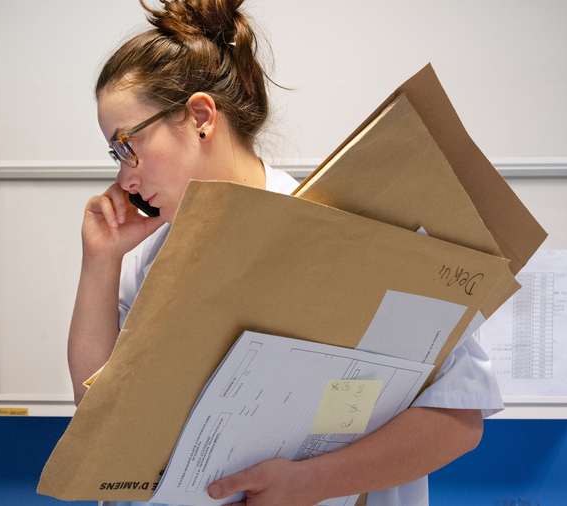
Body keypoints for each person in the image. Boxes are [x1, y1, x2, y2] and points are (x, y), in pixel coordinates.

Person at [66, 1, 504, 505]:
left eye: (128, 145)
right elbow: (96, 418)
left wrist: (309, 484)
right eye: (115, 154)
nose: (125, 177)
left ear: (201, 117)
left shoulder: (351, 228)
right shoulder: (153, 255)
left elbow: (458, 417)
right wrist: (100, 260)